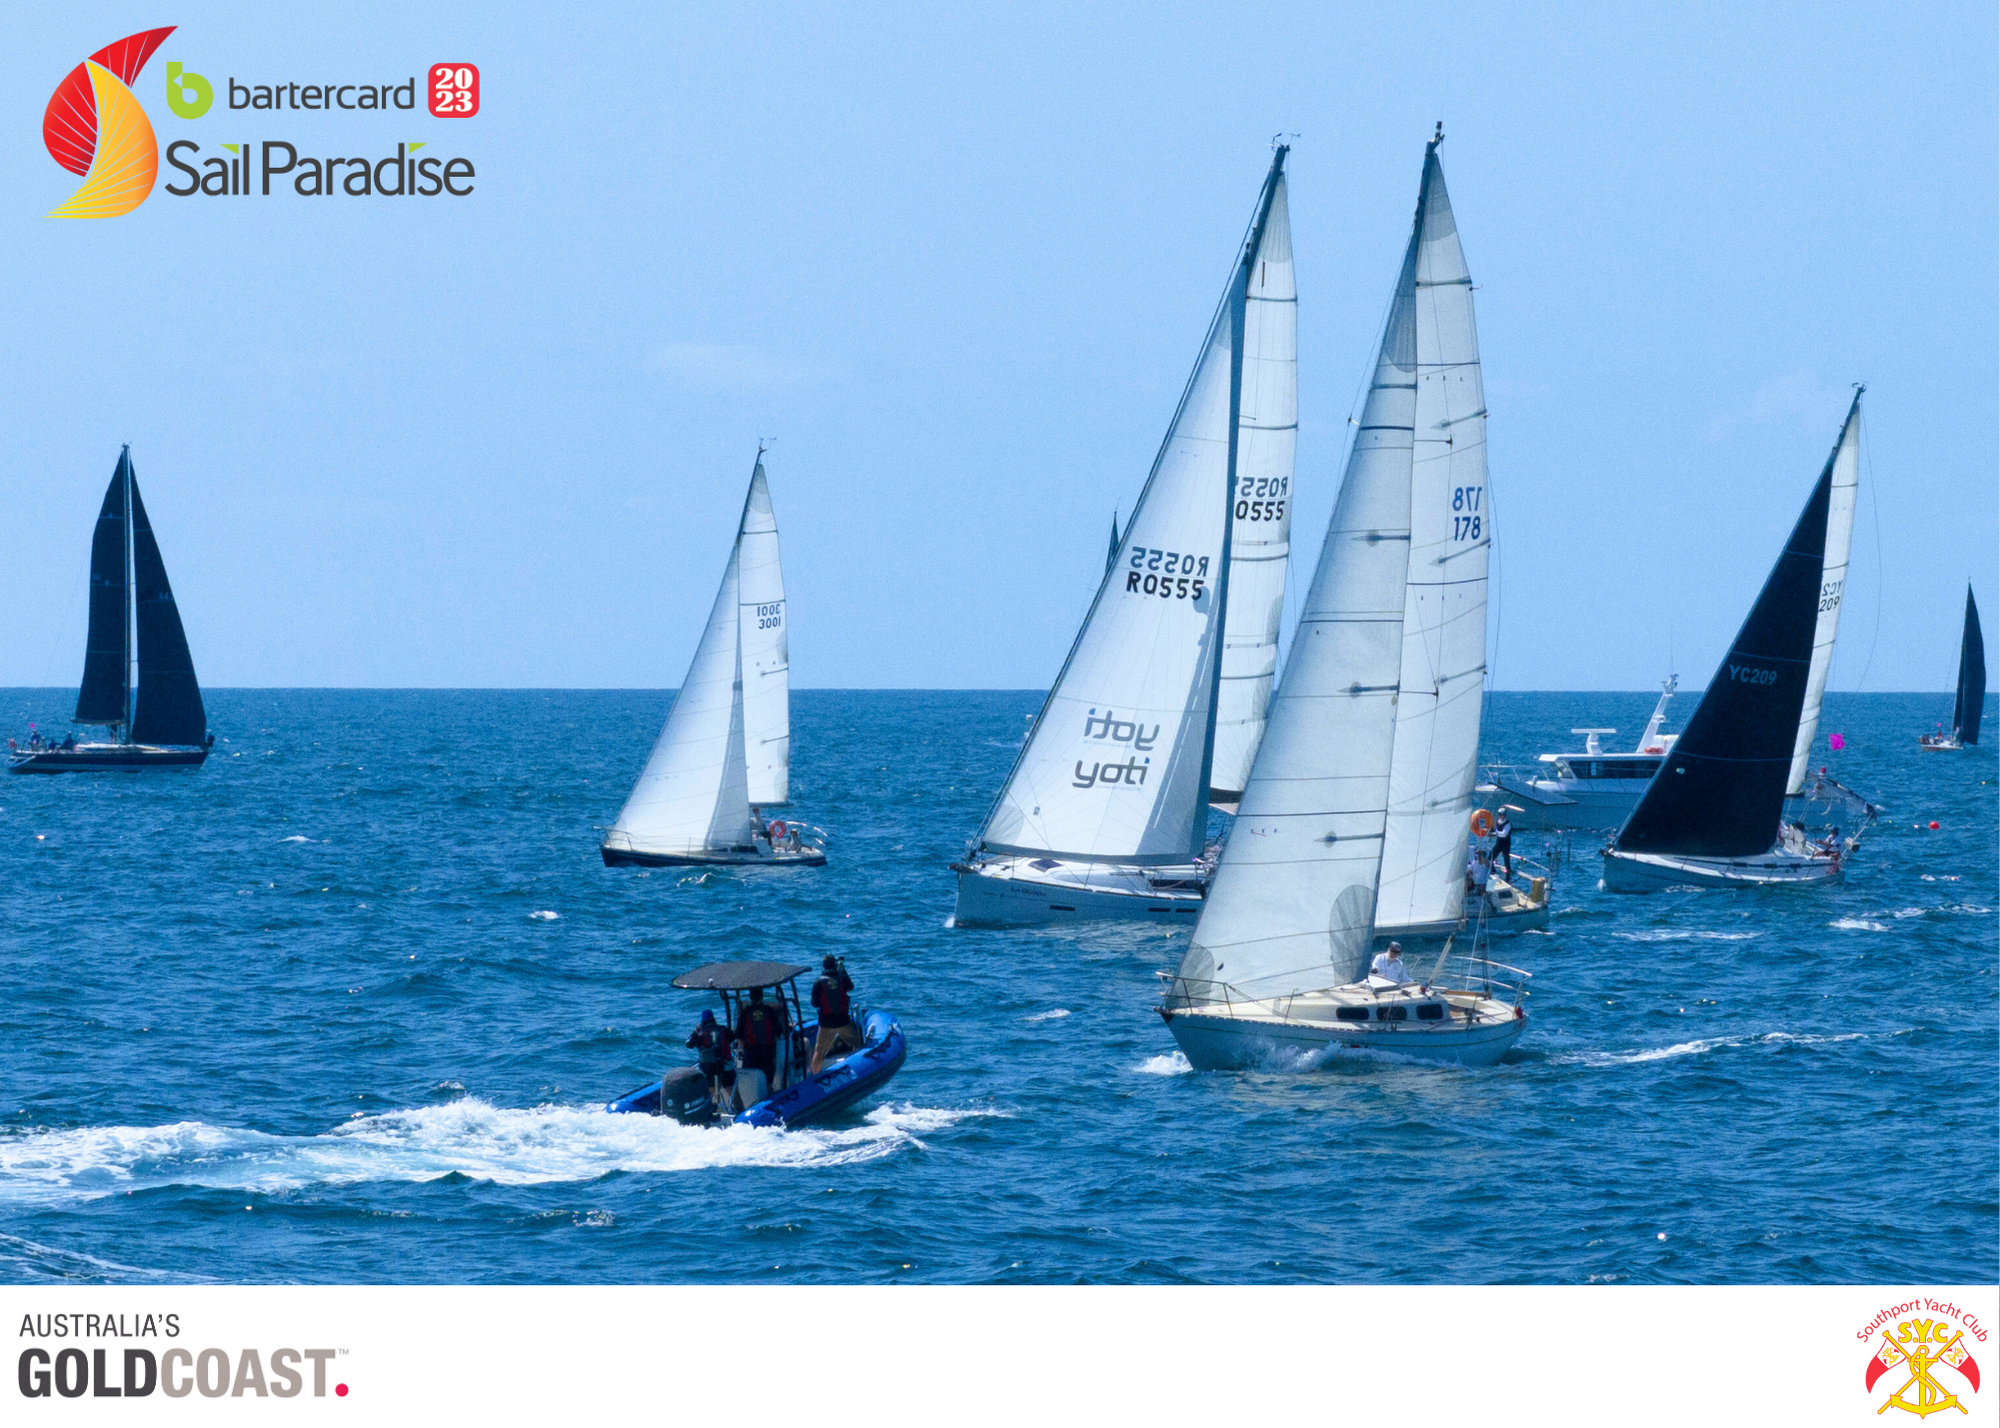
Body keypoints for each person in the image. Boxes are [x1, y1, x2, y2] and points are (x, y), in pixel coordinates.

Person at [809, 955, 860, 1073]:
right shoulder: (842, 978)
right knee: (857, 1044)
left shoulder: (818, 982)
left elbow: (814, 1004)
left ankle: (814, 1076)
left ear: (824, 966)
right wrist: (843, 971)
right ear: (835, 965)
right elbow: (851, 986)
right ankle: (858, 1068)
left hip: (826, 1023)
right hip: (843, 1021)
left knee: (819, 1053)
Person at [735, 986, 787, 1085]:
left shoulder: (745, 1012)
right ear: (762, 996)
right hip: (767, 1050)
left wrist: (745, 1046)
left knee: (751, 1076)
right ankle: (769, 1088)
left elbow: (738, 1035)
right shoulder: (769, 1010)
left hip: (750, 1051)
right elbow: (779, 1031)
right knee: (768, 1075)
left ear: (750, 997)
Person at [685, 1008, 734, 1107]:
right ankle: (736, 1107)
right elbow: (733, 1037)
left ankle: (712, 1107)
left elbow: (688, 1044)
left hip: (708, 1067)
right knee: (730, 1088)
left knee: (710, 1088)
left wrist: (695, 1031)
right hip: (724, 1065)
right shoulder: (723, 1029)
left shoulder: (699, 1033)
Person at [1492, 810, 1513, 881]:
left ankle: (1508, 877)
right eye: (1500, 815)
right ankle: (1492, 871)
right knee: (1490, 857)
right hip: (1498, 843)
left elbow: (1504, 834)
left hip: (1506, 845)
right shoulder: (1498, 822)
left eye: (1502, 815)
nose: (1501, 816)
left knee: (1506, 861)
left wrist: (1496, 833)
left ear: (1505, 815)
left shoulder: (1508, 824)